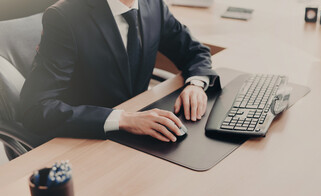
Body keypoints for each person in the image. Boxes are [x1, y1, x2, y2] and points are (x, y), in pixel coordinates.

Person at [20, 0, 219, 142]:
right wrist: (122, 119)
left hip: (144, 131)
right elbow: (35, 109)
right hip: (89, 139)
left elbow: (193, 50)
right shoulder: (64, 18)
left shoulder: (152, 4)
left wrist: (196, 84)